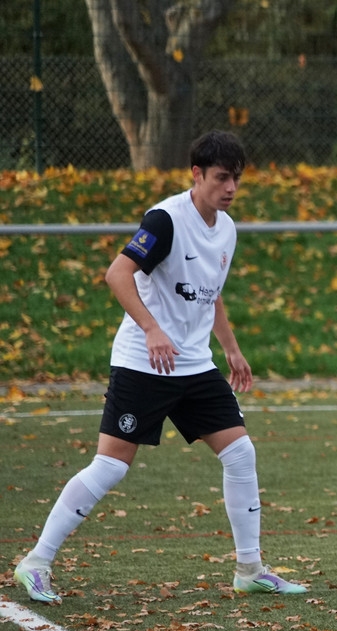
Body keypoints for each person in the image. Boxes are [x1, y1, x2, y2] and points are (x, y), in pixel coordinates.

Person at [14, 130, 308, 604]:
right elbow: (117, 274)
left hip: (194, 364)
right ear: (197, 174)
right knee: (111, 466)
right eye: (221, 178)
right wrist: (151, 328)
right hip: (143, 364)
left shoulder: (227, 228)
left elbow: (210, 294)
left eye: (236, 178)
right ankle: (36, 562)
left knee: (240, 454)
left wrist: (231, 349)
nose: (230, 188)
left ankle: (250, 569)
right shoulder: (166, 219)